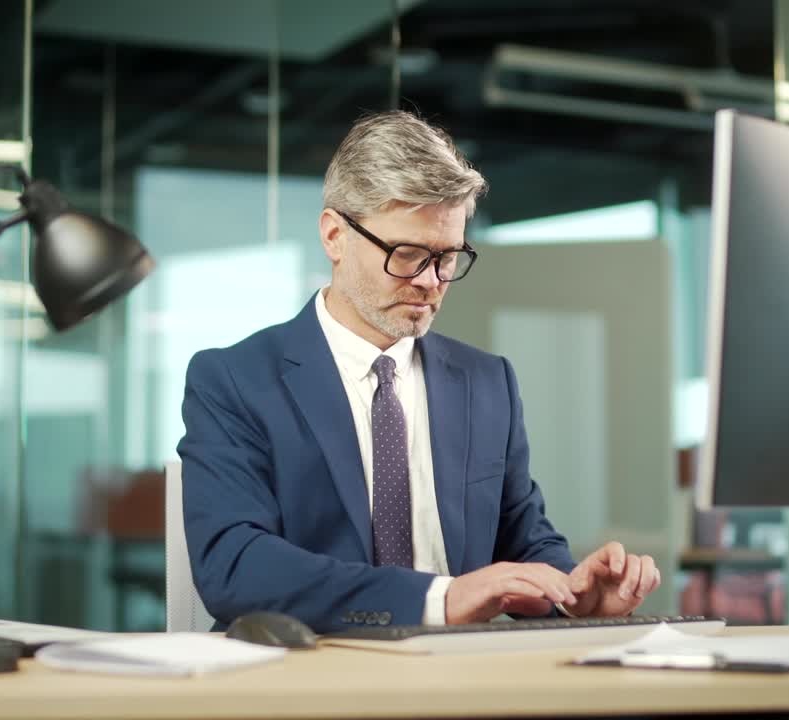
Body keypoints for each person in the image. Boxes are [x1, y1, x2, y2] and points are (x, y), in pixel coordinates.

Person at [178, 110, 660, 632]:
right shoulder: (234, 380)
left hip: (465, 687)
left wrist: (573, 591)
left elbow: (524, 541)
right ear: (335, 235)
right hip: (312, 683)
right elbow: (235, 566)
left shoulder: (487, 382)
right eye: (407, 255)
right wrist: (438, 600)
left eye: (448, 257)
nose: (432, 282)